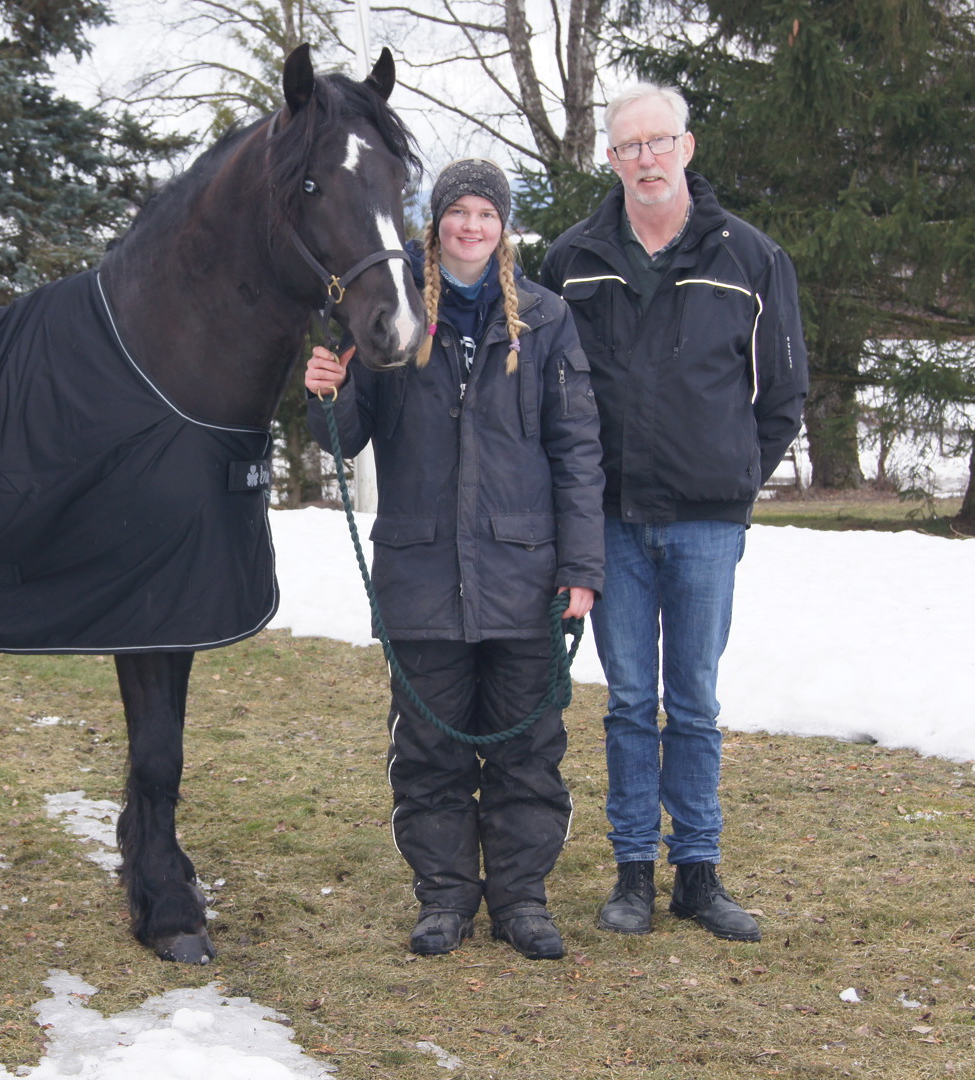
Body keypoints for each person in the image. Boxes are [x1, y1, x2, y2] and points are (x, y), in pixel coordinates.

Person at [305, 159, 604, 960]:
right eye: (456, 212)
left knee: (527, 753)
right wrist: (325, 390)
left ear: (503, 226)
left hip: (525, 577)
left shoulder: (545, 319)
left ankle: (521, 900)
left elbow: (577, 449)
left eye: (485, 213)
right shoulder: (388, 307)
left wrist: (582, 568)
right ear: (435, 220)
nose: (470, 226)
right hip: (421, 573)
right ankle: (444, 898)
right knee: (429, 753)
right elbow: (345, 437)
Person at [538, 84, 808, 942]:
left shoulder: (751, 259)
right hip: (607, 521)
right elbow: (541, 394)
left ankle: (698, 873)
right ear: (610, 160)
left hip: (703, 524)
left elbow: (782, 395)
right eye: (628, 147)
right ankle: (631, 875)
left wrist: (731, 480)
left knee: (692, 702)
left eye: (659, 142)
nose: (645, 159)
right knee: (625, 704)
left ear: (686, 147)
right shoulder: (571, 259)